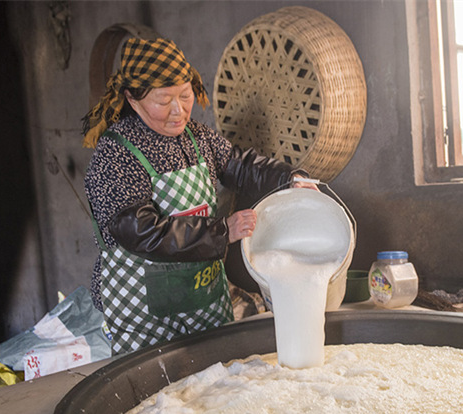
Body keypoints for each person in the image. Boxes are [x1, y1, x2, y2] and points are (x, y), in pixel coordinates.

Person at [82, 37, 314, 355]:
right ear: (133, 100)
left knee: (216, 380)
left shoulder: (198, 137)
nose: (179, 110)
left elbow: (241, 166)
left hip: (203, 297)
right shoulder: (117, 153)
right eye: (164, 101)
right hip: (144, 311)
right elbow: (139, 230)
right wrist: (223, 230)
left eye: (186, 95)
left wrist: (290, 178)